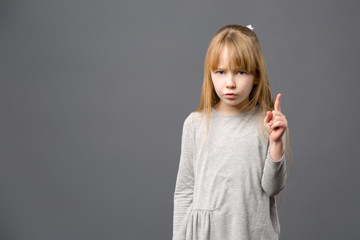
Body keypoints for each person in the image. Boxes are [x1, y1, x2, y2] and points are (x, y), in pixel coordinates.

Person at [172, 24, 293, 240]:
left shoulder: (266, 123)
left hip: (250, 232)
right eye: (220, 72)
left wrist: (277, 144)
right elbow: (184, 192)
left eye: (240, 72)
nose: (229, 83)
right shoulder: (195, 124)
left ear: (255, 75)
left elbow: (272, 188)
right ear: (210, 74)